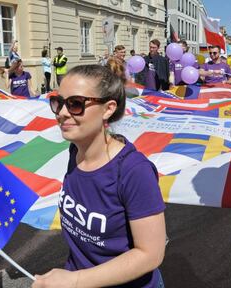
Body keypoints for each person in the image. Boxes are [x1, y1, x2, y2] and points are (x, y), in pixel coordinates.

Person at [32, 64, 166, 287]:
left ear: (108, 109)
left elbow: (150, 254)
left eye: (75, 104)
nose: (62, 113)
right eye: (58, 102)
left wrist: (75, 280)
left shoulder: (134, 171)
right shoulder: (75, 150)